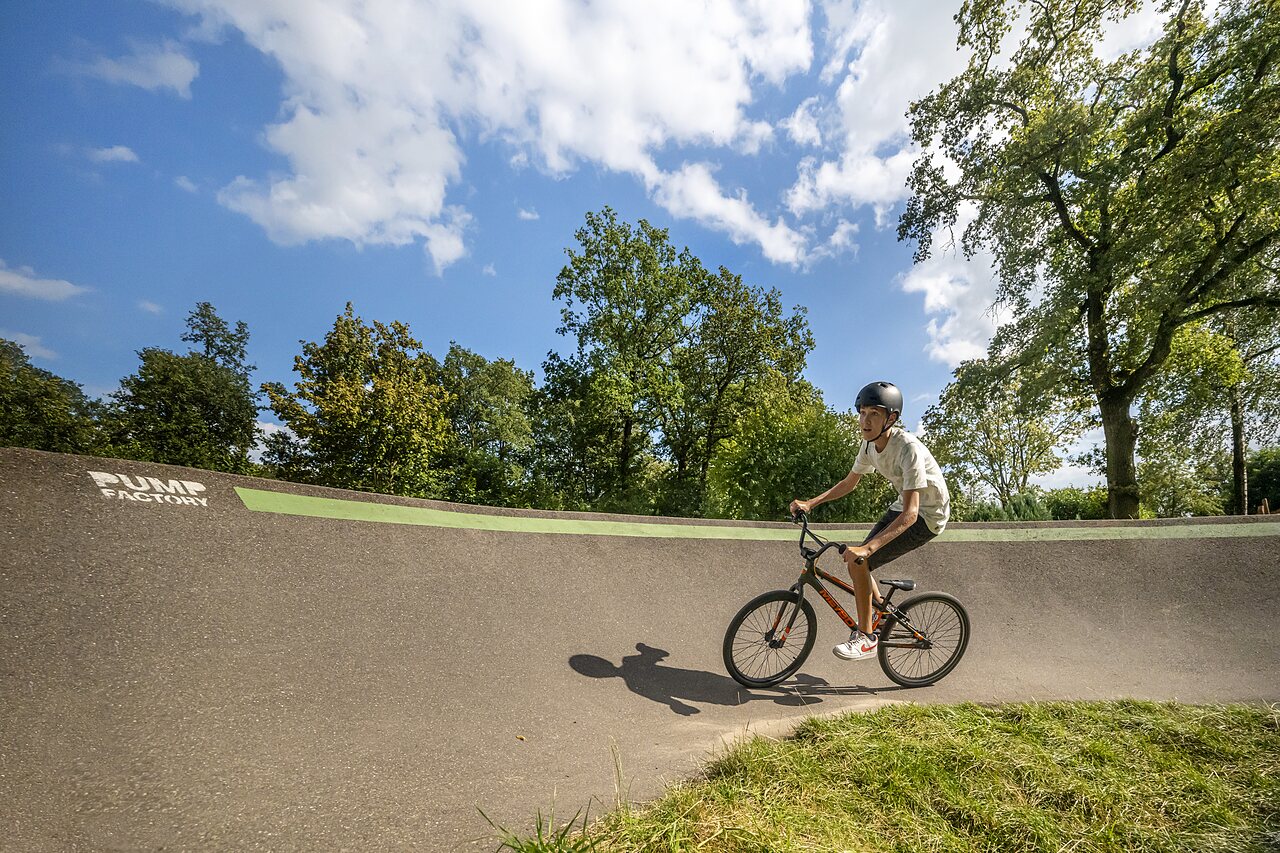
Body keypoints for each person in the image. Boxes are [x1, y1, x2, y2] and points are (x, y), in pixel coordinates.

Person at [789, 381, 950, 660]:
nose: (865, 420)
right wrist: (811, 503)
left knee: (861, 559)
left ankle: (866, 638)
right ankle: (881, 613)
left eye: (874, 414)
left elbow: (912, 514)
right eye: (862, 412)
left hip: (928, 516)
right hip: (903, 506)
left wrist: (867, 549)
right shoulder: (868, 446)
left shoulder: (907, 449)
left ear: (891, 418)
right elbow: (849, 482)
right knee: (859, 564)